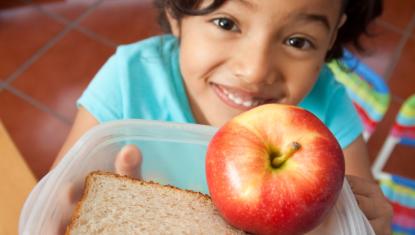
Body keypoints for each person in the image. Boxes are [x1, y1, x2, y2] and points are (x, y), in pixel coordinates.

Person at [51, 0, 392, 234]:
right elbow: (58, 196)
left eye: (297, 41)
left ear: (331, 37)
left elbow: (355, 215)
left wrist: (370, 225)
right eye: (226, 23)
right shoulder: (129, 79)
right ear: (176, 12)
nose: (255, 71)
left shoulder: (328, 108)